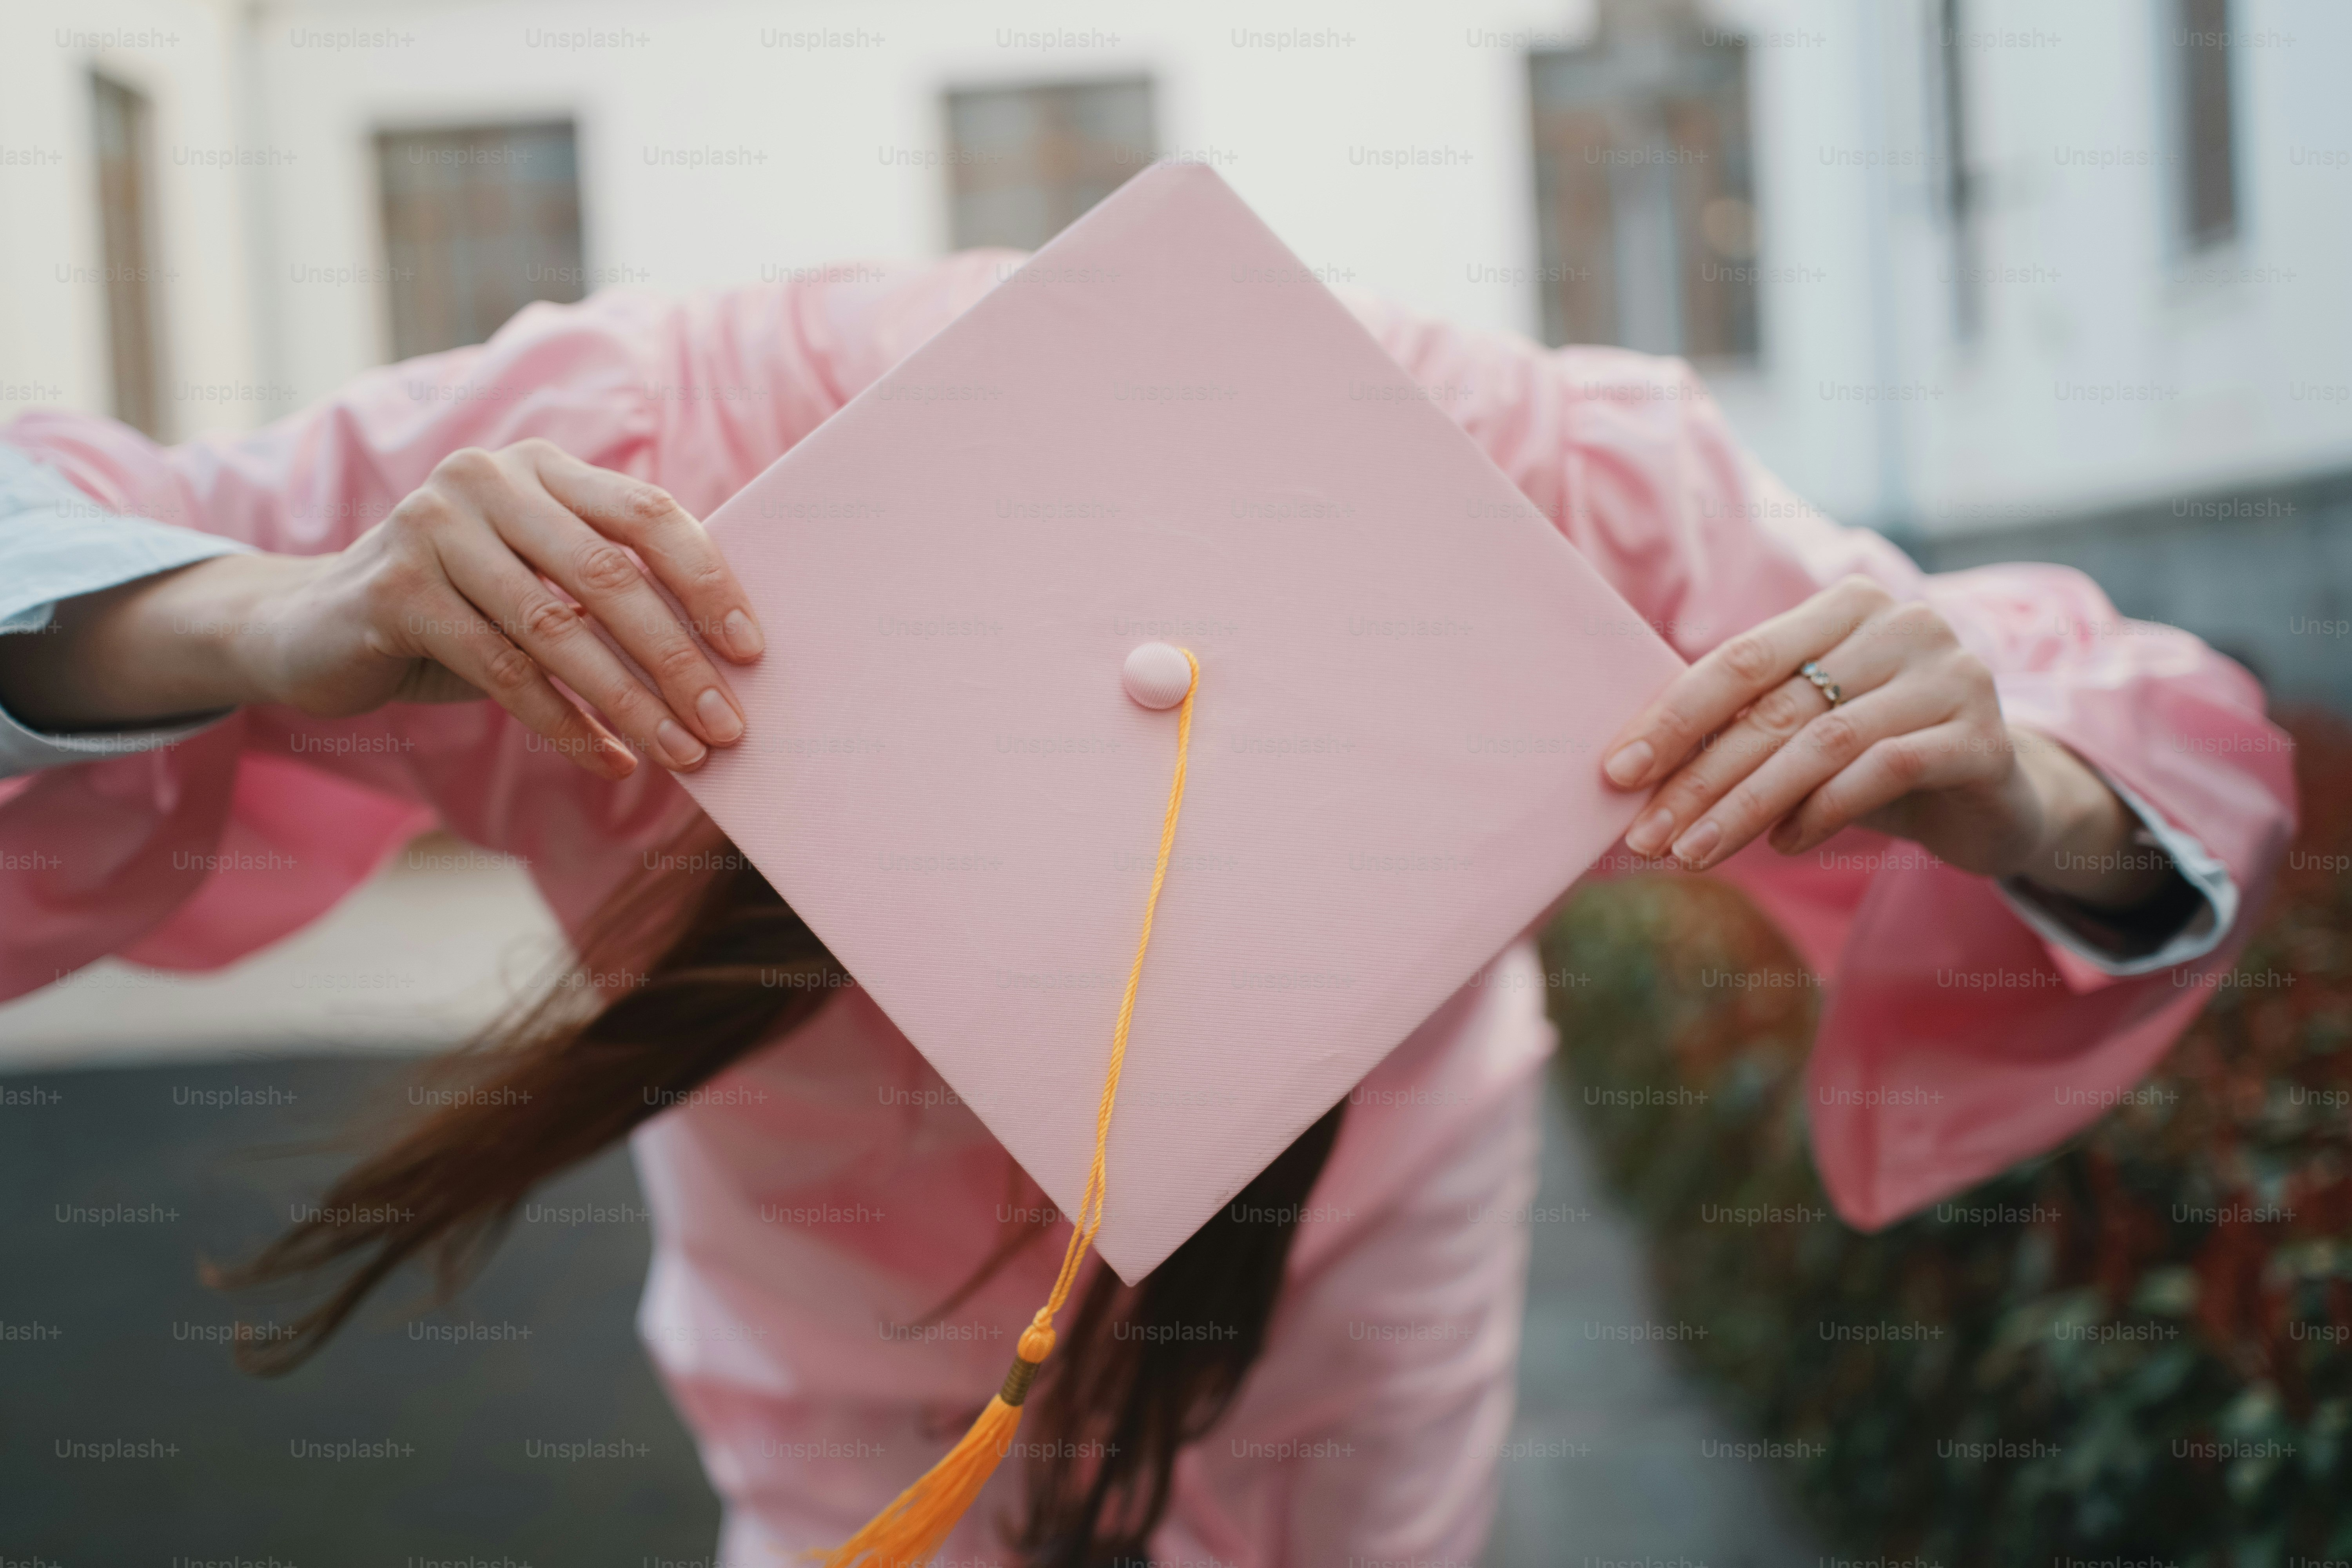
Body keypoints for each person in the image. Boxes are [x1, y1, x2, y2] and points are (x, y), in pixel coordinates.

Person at [0, 251, 2294, 1565]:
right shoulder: (633, 487)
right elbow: (57, 522)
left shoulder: (1526, 483)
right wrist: (261, 616)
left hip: (1350, 1334)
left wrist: (2004, 777)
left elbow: (2143, 756)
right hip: (836, 1394)